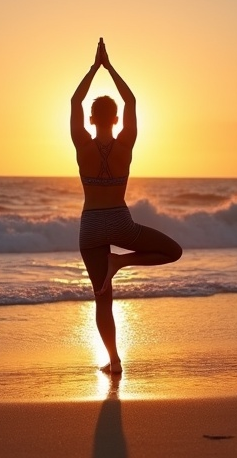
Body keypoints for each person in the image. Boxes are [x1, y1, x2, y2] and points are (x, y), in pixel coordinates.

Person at [71, 38, 182, 374]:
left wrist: (94, 68)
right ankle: (120, 262)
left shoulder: (82, 145)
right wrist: (111, 68)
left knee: (103, 299)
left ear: (91, 119)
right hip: (120, 222)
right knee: (173, 251)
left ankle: (115, 361)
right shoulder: (126, 144)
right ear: (117, 119)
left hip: (90, 226)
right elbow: (131, 99)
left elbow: (75, 99)